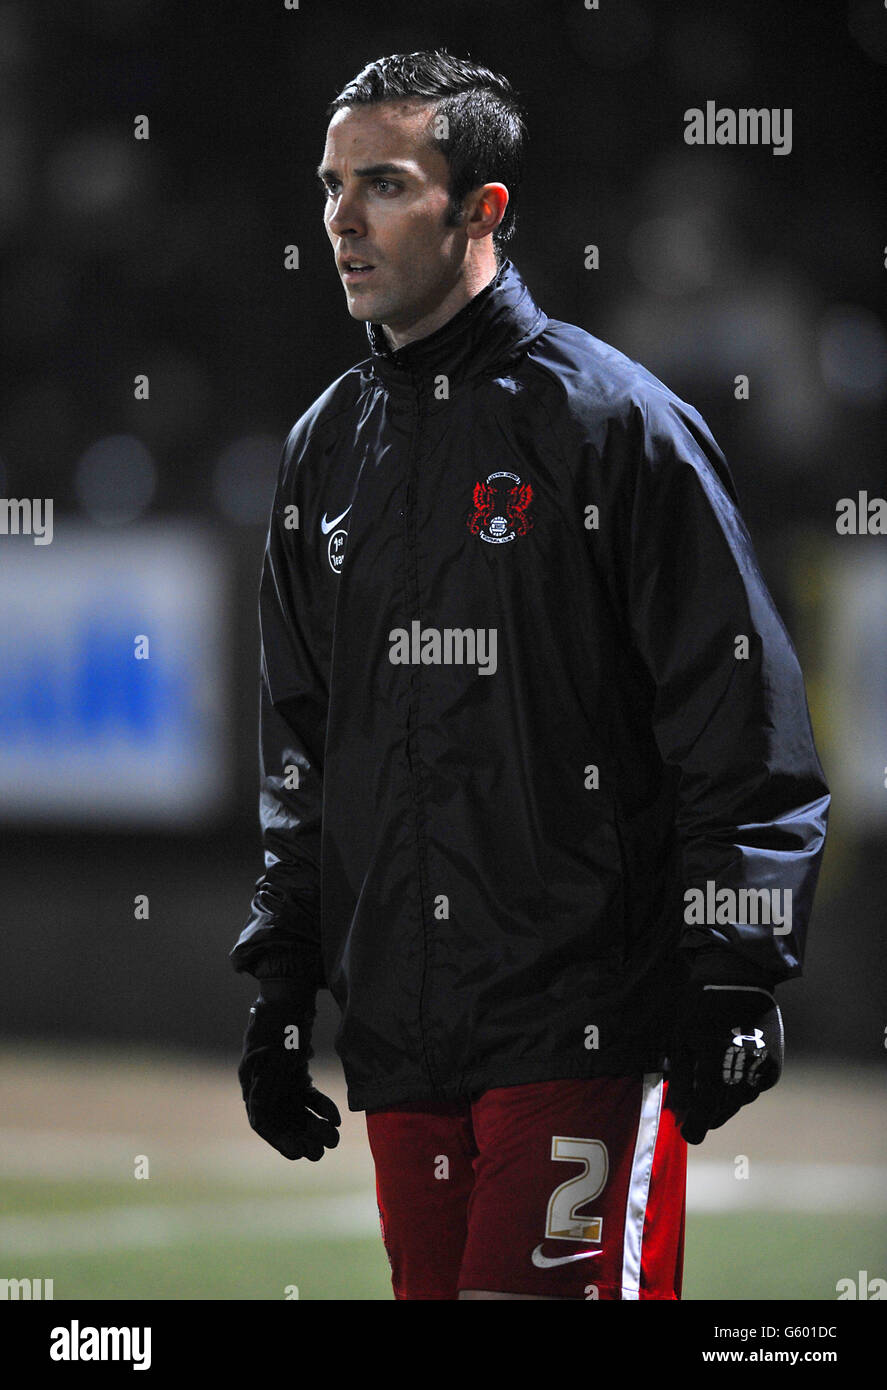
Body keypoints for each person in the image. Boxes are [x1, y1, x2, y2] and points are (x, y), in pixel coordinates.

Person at [231, 49, 830, 1301]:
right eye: (331, 186)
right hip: (401, 1036)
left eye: (385, 185)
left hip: (585, 1021)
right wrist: (284, 978)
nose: (342, 219)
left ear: (480, 209)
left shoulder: (613, 427)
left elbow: (736, 713)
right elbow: (303, 743)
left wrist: (730, 967)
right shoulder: (323, 450)